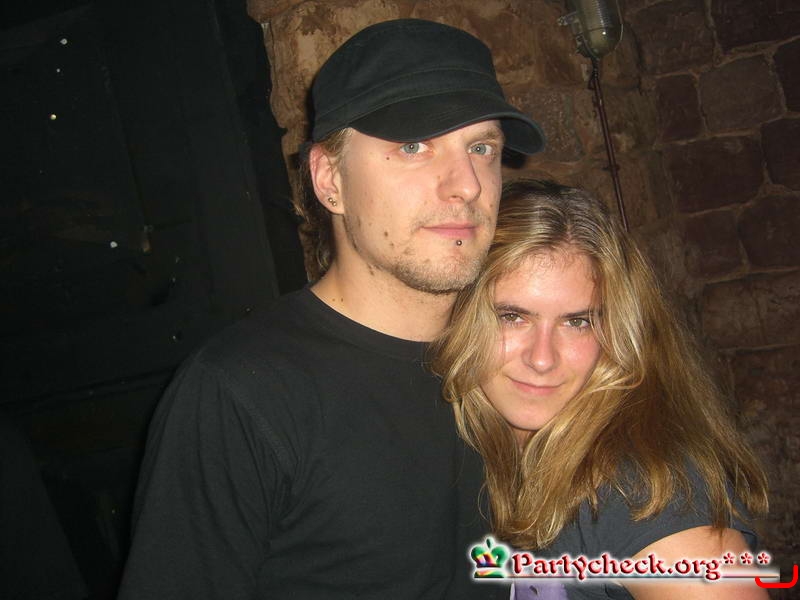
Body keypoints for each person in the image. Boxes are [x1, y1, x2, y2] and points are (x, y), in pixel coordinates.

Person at [117, 19, 544, 599]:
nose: (466, 185)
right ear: (329, 179)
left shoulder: (523, 358)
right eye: (414, 146)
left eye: (481, 147)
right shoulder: (242, 394)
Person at [433, 180, 769, 599]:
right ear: (460, 315)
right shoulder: (470, 452)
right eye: (512, 316)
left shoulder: (640, 489)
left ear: (617, 333)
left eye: (578, 322)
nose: (542, 359)